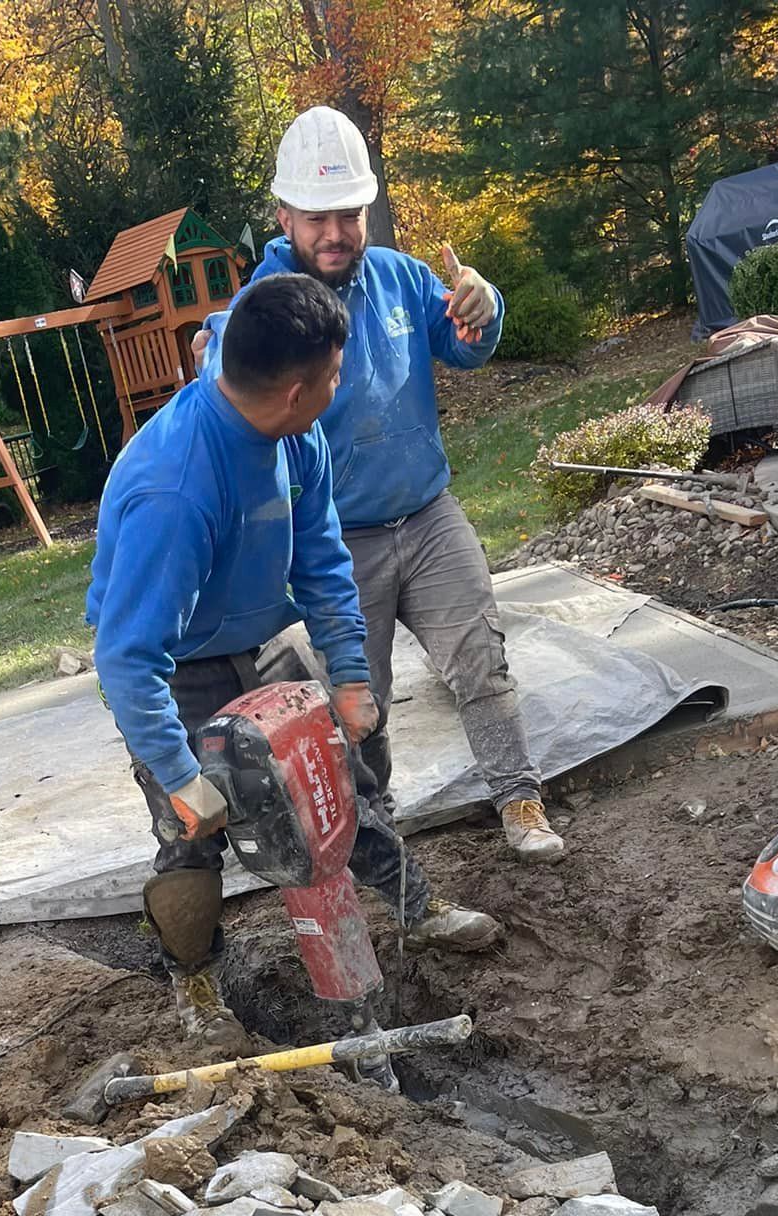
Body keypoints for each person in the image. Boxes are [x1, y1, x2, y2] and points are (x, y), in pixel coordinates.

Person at [87, 271, 501, 1047]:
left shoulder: (296, 432)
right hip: (179, 667)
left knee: (335, 778)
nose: (342, 386)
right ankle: (195, 981)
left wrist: (349, 675)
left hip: (266, 635)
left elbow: (322, 561)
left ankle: (415, 905)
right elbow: (126, 657)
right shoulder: (174, 490)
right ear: (295, 390)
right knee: (190, 835)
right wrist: (178, 775)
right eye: (336, 375)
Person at [197, 107, 567, 867]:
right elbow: (228, 377)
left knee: (481, 659)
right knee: (359, 701)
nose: (336, 233)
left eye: (350, 215)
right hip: (337, 545)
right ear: (284, 217)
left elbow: (464, 345)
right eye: (318, 219)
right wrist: (210, 354)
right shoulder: (265, 304)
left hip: (428, 515)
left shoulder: (399, 278)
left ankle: (519, 799)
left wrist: (483, 307)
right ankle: (381, 835)